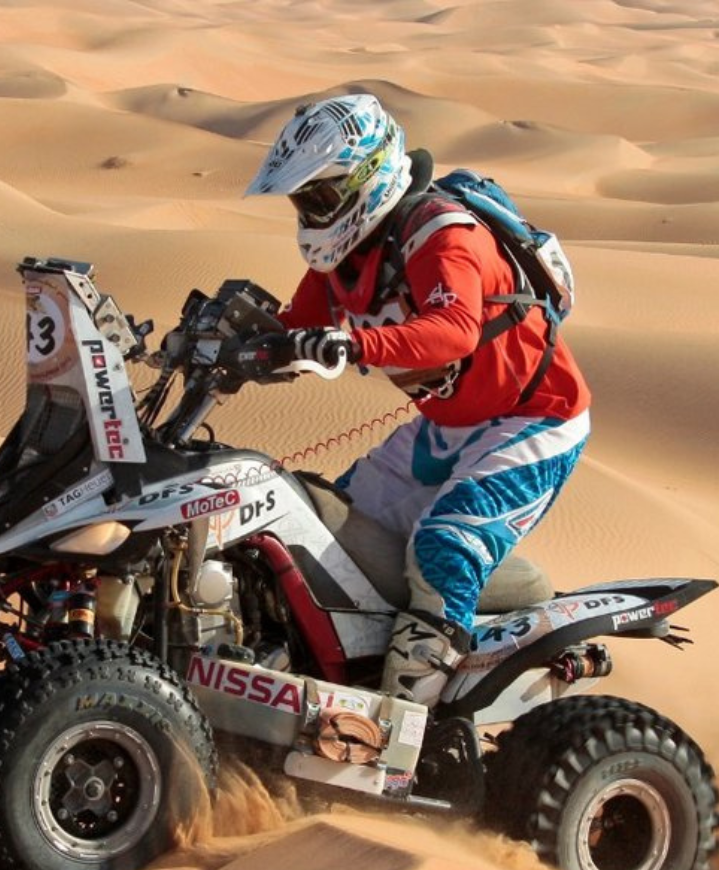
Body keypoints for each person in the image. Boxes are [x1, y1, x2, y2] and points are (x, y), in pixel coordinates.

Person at [245, 93, 591, 708]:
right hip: (449, 424)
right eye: (304, 201)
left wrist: (352, 345)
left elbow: (454, 328)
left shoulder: (440, 233)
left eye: (321, 197)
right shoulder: (343, 260)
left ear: (365, 180)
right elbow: (291, 327)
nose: (311, 213)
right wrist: (231, 340)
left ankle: (407, 725)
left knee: (445, 548)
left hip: (534, 418)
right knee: (327, 532)